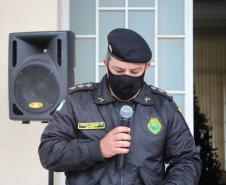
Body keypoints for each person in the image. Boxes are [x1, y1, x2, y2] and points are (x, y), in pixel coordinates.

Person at [38, 28, 201, 185]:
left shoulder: (164, 107)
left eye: (135, 71)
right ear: (106, 63)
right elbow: (48, 151)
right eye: (119, 69)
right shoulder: (77, 102)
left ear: (146, 67)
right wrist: (97, 149)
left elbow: (187, 159)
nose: (126, 76)